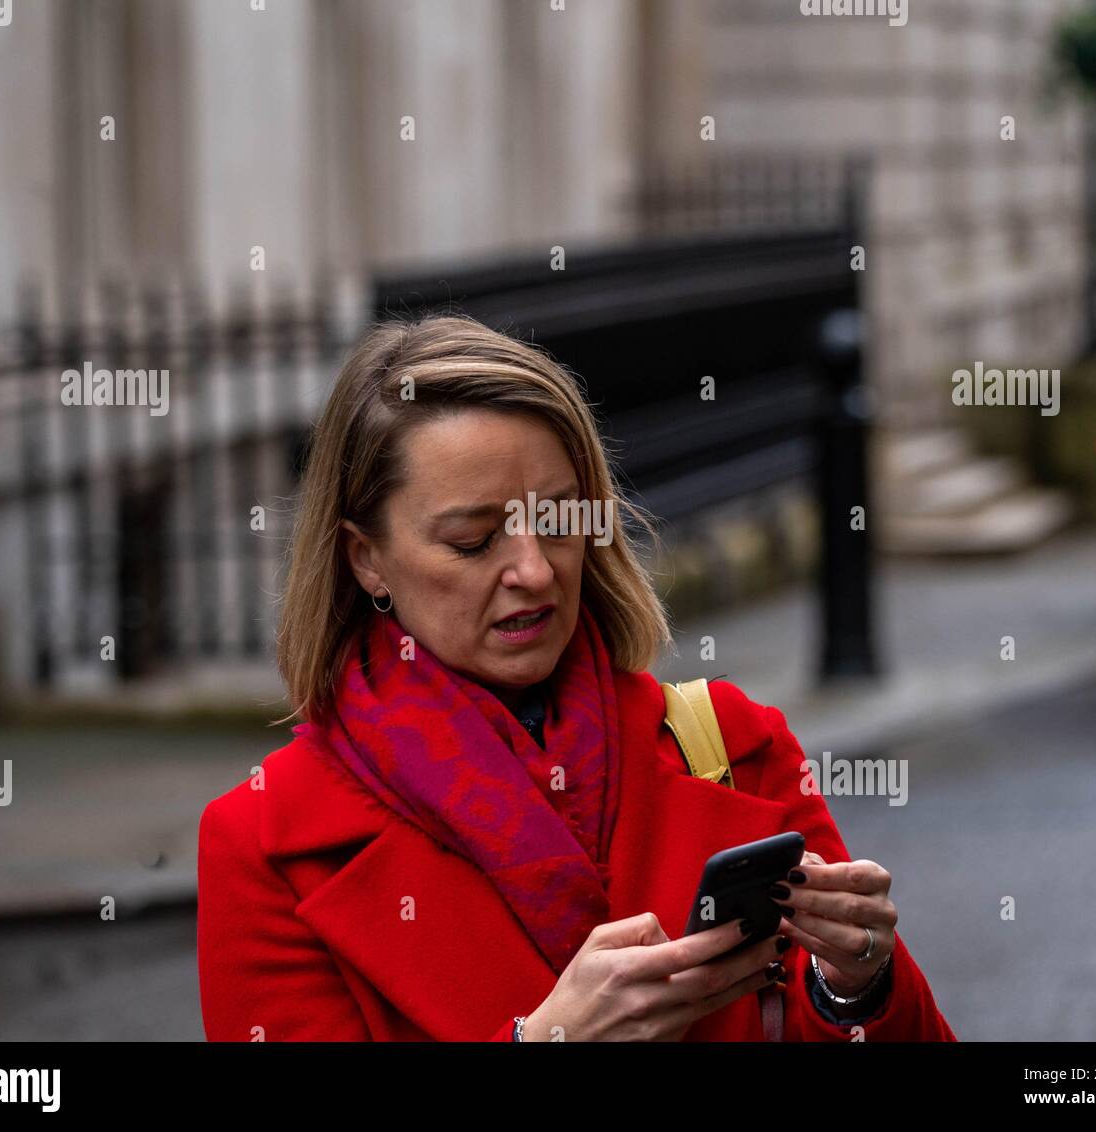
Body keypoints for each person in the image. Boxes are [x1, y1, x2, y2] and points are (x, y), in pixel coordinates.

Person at [196, 313, 957, 1042]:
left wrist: (857, 982)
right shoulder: (265, 844)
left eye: (557, 520)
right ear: (365, 559)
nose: (533, 570)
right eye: (473, 540)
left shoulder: (729, 743)